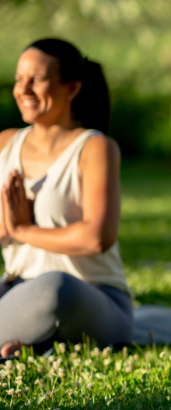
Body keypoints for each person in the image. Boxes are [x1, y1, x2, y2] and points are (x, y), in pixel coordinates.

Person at [0, 38, 133, 358]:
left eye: (37, 79)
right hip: (16, 289)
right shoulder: (5, 143)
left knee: (54, 288)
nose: (24, 89)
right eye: (19, 79)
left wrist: (24, 231)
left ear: (72, 88)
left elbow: (95, 238)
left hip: (88, 297)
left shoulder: (94, 148)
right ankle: (32, 341)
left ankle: (34, 337)